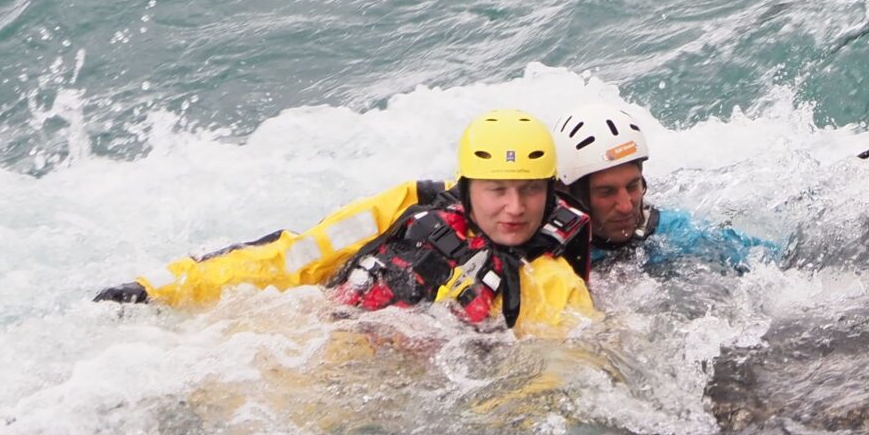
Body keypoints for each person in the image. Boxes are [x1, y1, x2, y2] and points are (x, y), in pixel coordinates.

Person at [93, 110, 596, 335]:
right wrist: (159, 286)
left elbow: (558, 374)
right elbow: (293, 259)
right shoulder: (404, 207)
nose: (514, 208)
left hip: (382, 399)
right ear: (465, 188)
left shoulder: (551, 285)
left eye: (530, 190)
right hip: (305, 335)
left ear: (551, 192)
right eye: (497, 190)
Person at [555, 99, 773, 275]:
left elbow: (768, 260)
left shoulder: (675, 232)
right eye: (606, 192)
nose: (625, 206)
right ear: (570, 194)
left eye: (632, 186)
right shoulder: (548, 250)